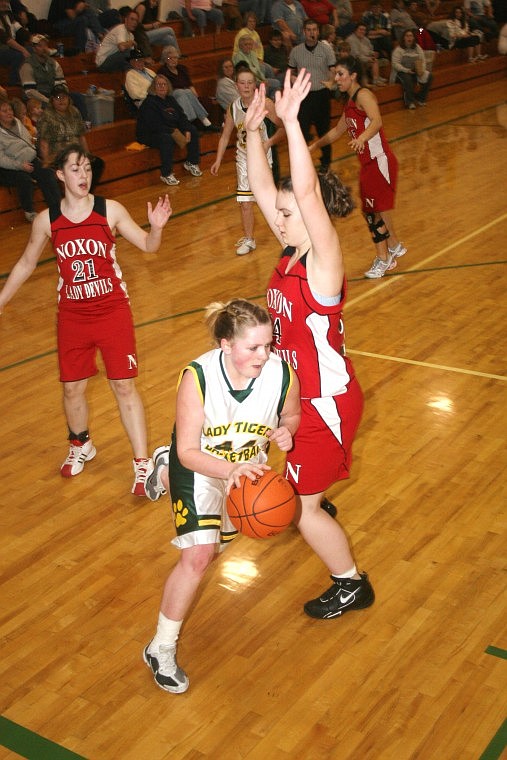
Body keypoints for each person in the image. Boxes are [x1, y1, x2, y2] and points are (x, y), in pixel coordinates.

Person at [245, 72, 375, 623]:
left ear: (312, 209)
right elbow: (262, 187)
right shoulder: (291, 248)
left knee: (299, 512)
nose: (280, 211)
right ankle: (315, 493)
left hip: (326, 403)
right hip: (303, 398)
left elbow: (301, 191)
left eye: (289, 209)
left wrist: (292, 123)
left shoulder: (323, 257)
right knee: (303, 491)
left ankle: (351, 583)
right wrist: (253, 130)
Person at [142, 298, 301, 693]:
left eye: (269, 345)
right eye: (253, 347)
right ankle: (161, 647)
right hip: (199, 465)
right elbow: (189, 452)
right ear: (225, 345)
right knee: (196, 556)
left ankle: (158, 471)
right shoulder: (197, 377)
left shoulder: (282, 374)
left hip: (245, 469)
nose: (264, 355)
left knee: (216, 549)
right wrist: (229, 470)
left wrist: (286, 433)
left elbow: (291, 415)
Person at [0, 144, 172, 494]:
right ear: (60, 175)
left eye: (88, 169)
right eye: (76, 169)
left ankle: (142, 464)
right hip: (73, 316)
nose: (84, 175)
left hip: (111, 312)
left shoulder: (110, 210)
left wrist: (155, 229)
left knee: (123, 385)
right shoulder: (48, 221)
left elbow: (148, 246)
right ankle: (81, 444)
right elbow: (26, 263)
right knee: (72, 388)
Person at [310, 56, 406, 278]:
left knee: (371, 212)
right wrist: (315, 145)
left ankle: (384, 259)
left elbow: (377, 120)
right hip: (368, 164)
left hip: (379, 160)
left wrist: (362, 138)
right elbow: (336, 131)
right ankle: (394, 246)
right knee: (377, 208)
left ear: (353, 76)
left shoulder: (364, 95)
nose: (337, 78)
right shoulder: (350, 103)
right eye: (336, 74)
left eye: (341, 74)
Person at [210, 66, 284, 255]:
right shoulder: (233, 107)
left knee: (272, 202)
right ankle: (249, 239)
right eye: (242, 82)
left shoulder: (265, 103)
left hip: (262, 158)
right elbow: (225, 136)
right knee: (244, 202)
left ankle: (287, 235)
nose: (246, 86)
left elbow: (283, 128)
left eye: (250, 82)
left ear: (255, 85)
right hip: (243, 159)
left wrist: (269, 143)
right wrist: (218, 160)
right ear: (236, 86)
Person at [0, 97, 61, 222]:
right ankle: (30, 212)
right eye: (4, 111)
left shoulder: (17, 122)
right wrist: (20, 165)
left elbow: (28, 140)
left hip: (31, 159)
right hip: (11, 166)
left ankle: (57, 209)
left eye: (10, 109)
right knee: (24, 179)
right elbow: (1, 159)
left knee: (48, 173)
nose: (9, 113)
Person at [288, 19, 336, 171]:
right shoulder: (296, 51)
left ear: (318, 31)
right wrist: (293, 79)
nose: (312, 32)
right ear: (304, 31)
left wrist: (331, 82)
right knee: (302, 131)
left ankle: (326, 161)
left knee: (324, 130)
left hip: (322, 95)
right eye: (308, 30)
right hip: (304, 97)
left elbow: (333, 69)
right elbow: (290, 71)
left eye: (314, 29)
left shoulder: (326, 49)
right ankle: (302, 163)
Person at [136, 74, 202, 185]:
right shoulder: (149, 103)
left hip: (170, 130)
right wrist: (173, 132)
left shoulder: (171, 100)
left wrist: (186, 129)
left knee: (192, 130)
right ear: (153, 87)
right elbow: (154, 125)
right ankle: (166, 173)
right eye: (158, 84)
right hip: (150, 134)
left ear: (168, 86)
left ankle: (192, 162)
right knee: (166, 139)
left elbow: (181, 116)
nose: (162, 87)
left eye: (164, 84)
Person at [37, 85, 105, 191]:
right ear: (52, 100)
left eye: (64, 97)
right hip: (59, 155)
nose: (61, 100)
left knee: (97, 163)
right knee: (72, 166)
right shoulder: (47, 116)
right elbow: (43, 142)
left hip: (76, 152)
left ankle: (86, 192)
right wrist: (47, 162)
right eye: (57, 98)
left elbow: (81, 136)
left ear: (68, 99)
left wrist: (87, 153)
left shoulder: (75, 112)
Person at [20, 33, 88, 120]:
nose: (44, 49)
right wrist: (49, 101)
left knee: (77, 97)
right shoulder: (27, 66)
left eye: (45, 45)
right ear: (34, 48)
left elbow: (62, 84)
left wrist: (61, 97)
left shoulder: (54, 63)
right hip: (37, 98)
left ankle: (85, 124)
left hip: (52, 95)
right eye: (40, 46)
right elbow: (30, 92)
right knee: (45, 106)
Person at [158, 45, 219, 131]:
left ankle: (205, 122)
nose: (173, 60)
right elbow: (165, 87)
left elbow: (189, 84)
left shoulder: (182, 69)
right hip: (171, 95)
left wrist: (194, 94)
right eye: (170, 58)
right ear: (165, 59)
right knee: (181, 92)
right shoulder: (162, 71)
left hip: (185, 94)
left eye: (175, 57)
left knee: (188, 92)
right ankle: (189, 125)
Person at [390, 28, 433, 108]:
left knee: (429, 76)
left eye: (411, 36)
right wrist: (406, 70)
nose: (409, 38)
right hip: (400, 72)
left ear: (413, 38)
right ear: (404, 38)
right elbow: (395, 64)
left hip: (415, 70)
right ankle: (410, 102)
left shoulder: (417, 47)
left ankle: (421, 98)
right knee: (408, 79)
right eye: (407, 36)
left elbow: (423, 59)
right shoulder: (398, 50)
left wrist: (422, 70)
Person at [346, 23, 386, 89]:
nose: (362, 31)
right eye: (360, 29)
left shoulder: (365, 39)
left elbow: (370, 49)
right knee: (373, 61)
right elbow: (356, 55)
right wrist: (368, 59)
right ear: (355, 30)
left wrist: (373, 53)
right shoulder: (351, 40)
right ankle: (375, 80)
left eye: (364, 30)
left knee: (376, 60)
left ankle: (376, 79)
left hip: (365, 58)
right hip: (354, 61)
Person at [0, 0, 29, 85]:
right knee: (18, 55)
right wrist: (23, 50)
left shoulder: (9, 15)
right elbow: (6, 39)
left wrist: (35, 40)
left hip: (9, 48)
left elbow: (20, 30)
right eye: (1, 1)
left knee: (31, 49)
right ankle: (14, 81)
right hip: (2, 49)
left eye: (6, 1)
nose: (4, 4)